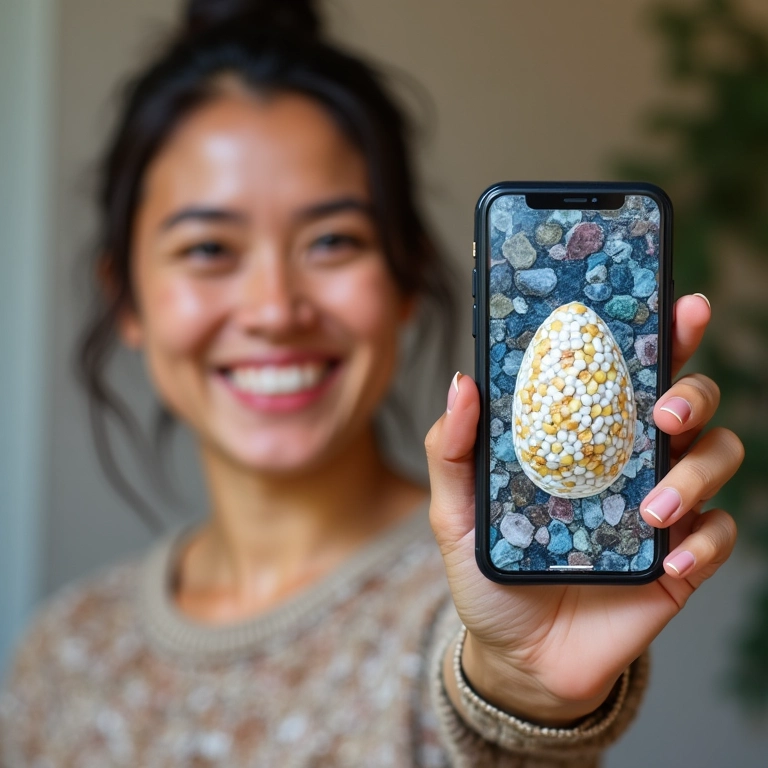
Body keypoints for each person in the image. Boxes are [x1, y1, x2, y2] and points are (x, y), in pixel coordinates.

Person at [0, 1, 743, 766]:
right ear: (125, 295)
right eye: (208, 247)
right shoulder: (63, 656)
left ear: (407, 276)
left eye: (332, 240)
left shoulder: (480, 608)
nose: (274, 310)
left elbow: (496, 698)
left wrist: (524, 696)